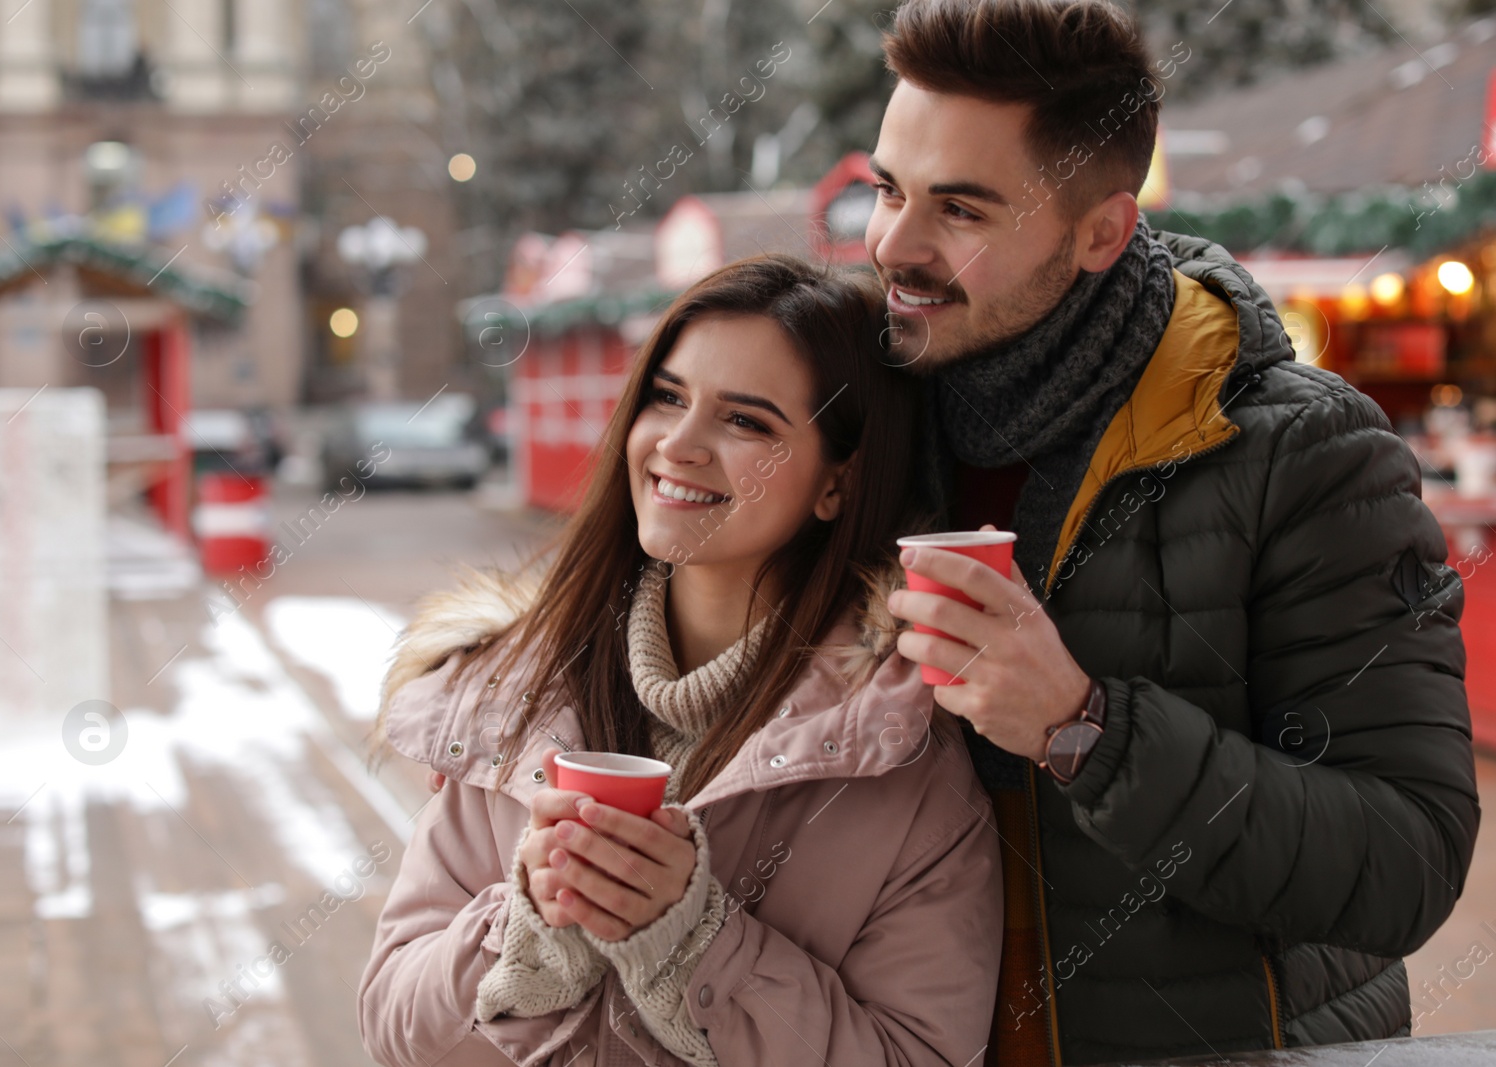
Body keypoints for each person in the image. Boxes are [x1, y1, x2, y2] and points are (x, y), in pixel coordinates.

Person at [868, 1, 1480, 1063]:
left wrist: (1084, 728)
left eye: (960, 211)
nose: (893, 245)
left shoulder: (1307, 454)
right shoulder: (853, 416)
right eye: (885, 189)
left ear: (1102, 230)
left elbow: (1405, 862)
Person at [358, 254, 1003, 1067]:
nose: (679, 444)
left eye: (746, 422)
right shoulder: (505, 695)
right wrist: (521, 940)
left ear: (837, 482)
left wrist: (695, 944)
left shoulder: (898, 757)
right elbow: (392, 1028)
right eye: (668, 397)